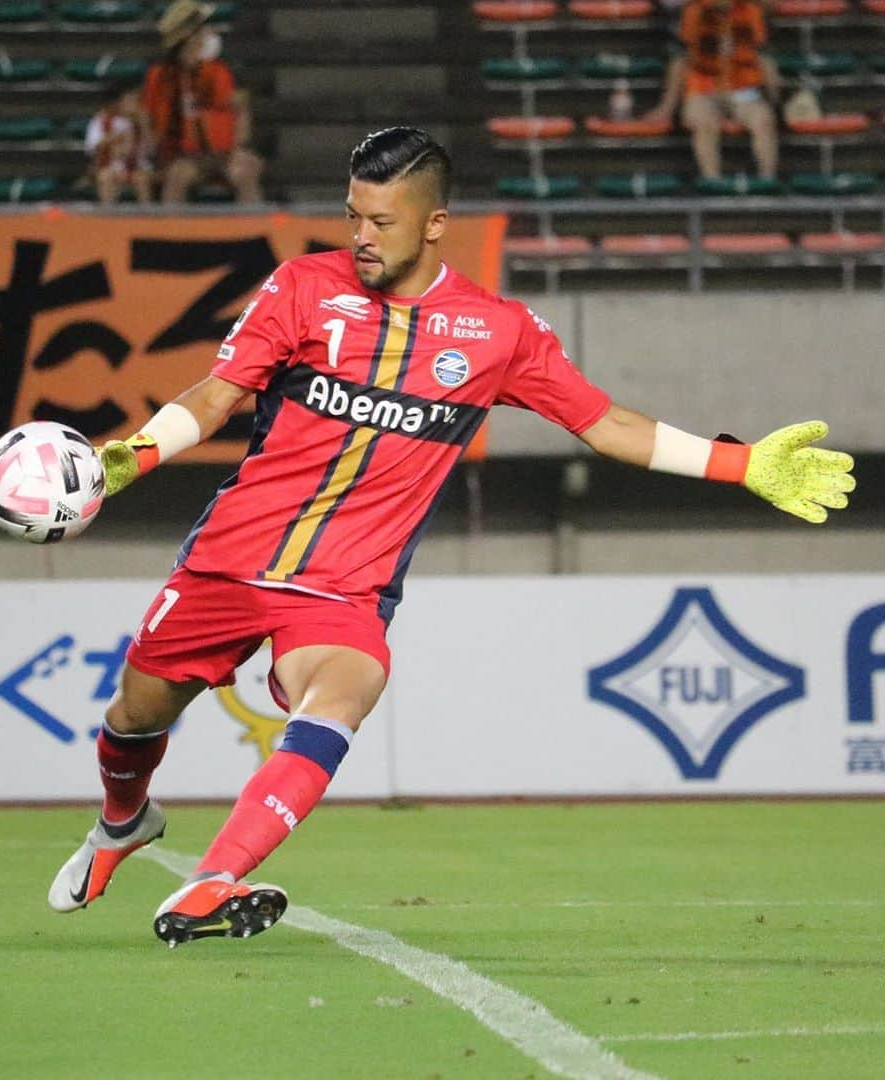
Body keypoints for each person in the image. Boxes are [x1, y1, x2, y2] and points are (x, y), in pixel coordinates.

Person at [48, 126, 855, 947]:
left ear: (435, 223)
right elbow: (218, 396)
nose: (361, 237)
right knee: (135, 718)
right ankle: (122, 823)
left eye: (382, 222)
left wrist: (742, 462)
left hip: (342, 592)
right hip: (228, 564)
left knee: (346, 694)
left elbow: (606, 425)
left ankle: (214, 879)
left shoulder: (497, 332)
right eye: (353, 217)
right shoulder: (301, 288)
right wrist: (138, 454)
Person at [142, 0, 263, 204]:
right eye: (202, 29)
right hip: (185, 157)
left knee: (246, 171)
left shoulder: (218, 72)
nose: (208, 33)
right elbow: (148, 116)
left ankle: (253, 230)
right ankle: (173, 234)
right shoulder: (160, 77)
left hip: (225, 155)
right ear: (187, 37)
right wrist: (153, 152)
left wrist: (240, 147)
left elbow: (240, 110)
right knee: (176, 178)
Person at [644, 0, 779, 180]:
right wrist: (666, 107)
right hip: (703, 87)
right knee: (704, 123)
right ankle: (713, 182)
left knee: (763, 121)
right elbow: (680, 60)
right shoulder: (693, 12)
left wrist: (777, 102)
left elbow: (764, 58)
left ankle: (767, 181)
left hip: (743, 89)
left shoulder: (751, 11)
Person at [84, 80, 155, 204]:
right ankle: (108, 215)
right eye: (127, 101)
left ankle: (146, 215)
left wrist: (144, 126)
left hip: (137, 166)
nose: (131, 105)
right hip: (112, 166)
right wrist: (114, 138)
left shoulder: (142, 121)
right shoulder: (102, 120)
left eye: (134, 101)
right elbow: (92, 147)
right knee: (106, 176)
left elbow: (151, 151)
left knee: (142, 179)